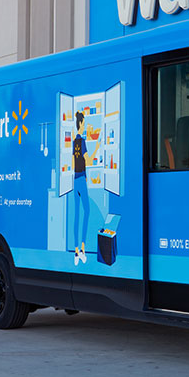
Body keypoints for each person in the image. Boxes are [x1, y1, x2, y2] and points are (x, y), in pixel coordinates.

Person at [72, 111, 101, 265]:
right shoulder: (82, 141)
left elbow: (73, 162)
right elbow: (88, 161)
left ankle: (76, 252)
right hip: (81, 180)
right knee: (87, 212)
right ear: (81, 124)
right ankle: (83, 249)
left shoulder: (74, 142)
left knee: (76, 215)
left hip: (74, 179)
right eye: (84, 123)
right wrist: (96, 147)